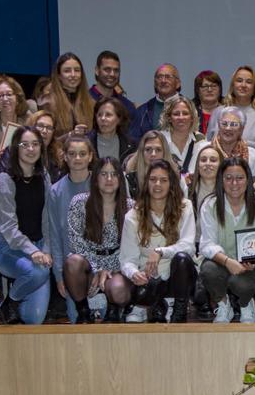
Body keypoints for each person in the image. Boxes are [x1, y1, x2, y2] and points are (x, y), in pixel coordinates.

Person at [118, 159, 198, 323]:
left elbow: (189, 246)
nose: (157, 184)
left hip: (177, 276)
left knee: (182, 258)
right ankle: (149, 305)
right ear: (146, 183)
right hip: (149, 278)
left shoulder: (185, 207)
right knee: (139, 291)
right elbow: (127, 259)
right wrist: (134, 273)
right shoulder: (133, 216)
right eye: (153, 179)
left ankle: (178, 310)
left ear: (171, 184)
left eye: (163, 180)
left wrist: (161, 251)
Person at [199, 157, 255, 323]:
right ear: (221, 180)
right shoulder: (210, 205)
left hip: (250, 265)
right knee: (208, 270)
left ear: (248, 179)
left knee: (242, 284)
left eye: (240, 178)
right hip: (220, 262)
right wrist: (227, 262)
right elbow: (206, 244)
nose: (234, 183)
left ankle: (246, 303)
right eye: (228, 178)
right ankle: (223, 304)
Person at [0, 126, 54, 324]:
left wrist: (46, 249)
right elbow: (8, 227)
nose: (31, 149)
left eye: (35, 144)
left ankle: (11, 304)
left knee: (34, 318)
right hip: (8, 248)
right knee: (38, 272)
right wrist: (33, 251)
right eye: (24, 144)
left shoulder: (44, 177)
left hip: (38, 246)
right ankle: (10, 302)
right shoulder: (3, 180)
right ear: (15, 148)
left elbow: (47, 219)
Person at [63, 157, 131, 323]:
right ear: (95, 178)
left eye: (114, 174)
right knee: (72, 262)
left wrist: (111, 270)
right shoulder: (79, 203)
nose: (109, 179)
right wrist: (97, 268)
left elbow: (131, 247)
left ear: (120, 179)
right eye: (104, 174)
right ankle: (83, 311)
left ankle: (114, 312)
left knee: (118, 290)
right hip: (87, 264)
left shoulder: (131, 207)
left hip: (118, 264)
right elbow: (76, 242)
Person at [44, 134, 95, 324]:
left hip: (101, 266)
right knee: (78, 321)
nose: (78, 158)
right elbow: (55, 235)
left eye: (82, 154)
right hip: (71, 270)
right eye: (72, 154)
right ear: (64, 157)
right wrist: (59, 275)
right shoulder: (56, 191)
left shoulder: (101, 185)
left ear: (90, 156)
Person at [193, 106, 255, 178]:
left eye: (233, 124)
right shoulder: (202, 149)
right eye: (224, 124)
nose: (228, 128)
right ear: (219, 125)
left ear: (242, 128)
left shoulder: (252, 155)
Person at [208, 66, 255, 146]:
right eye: (239, 81)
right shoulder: (218, 112)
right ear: (232, 86)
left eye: (249, 82)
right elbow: (208, 143)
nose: (243, 85)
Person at [46, 52, 96, 140]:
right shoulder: (47, 103)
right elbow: (45, 141)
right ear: (59, 75)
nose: (73, 75)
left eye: (77, 70)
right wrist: (70, 135)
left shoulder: (92, 104)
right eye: (67, 71)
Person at [132, 63, 181, 141]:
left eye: (168, 77)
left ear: (178, 83)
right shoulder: (142, 111)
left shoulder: (190, 109)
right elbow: (134, 141)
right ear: (155, 83)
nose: (163, 81)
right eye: (159, 77)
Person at [157, 94, 204, 174]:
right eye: (176, 114)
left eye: (185, 113)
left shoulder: (200, 139)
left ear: (192, 117)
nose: (181, 118)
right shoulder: (159, 139)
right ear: (169, 118)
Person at [88, 50, 136, 119]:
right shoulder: (83, 102)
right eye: (107, 69)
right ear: (97, 70)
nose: (112, 74)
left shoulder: (127, 106)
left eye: (116, 70)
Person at [88, 97, 135, 163]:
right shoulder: (87, 142)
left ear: (119, 119)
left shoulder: (131, 146)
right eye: (99, 115)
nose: (103, 118)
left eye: (108, 115)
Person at [192, 70, 224, 134]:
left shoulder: (228, 110)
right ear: (198, 90)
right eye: (205, 86)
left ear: (220, 89)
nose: (209, 90)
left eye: (214, 86)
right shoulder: (190, 110)